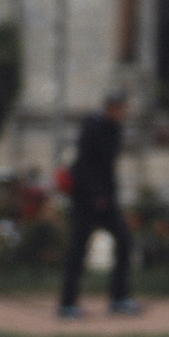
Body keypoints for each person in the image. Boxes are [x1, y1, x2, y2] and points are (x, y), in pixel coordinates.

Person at [55, 92, 140, 317]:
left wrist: (109, 195)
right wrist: (96, 195)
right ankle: (67, 303)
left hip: (105, 197)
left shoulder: (115, 129)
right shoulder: (92, 127)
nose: (124, 113)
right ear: (111, 108)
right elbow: (85, 165)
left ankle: (119, 297)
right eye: (121, 108)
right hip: (85, 198)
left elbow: (107, 168)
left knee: (124, 240)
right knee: (78, 248)